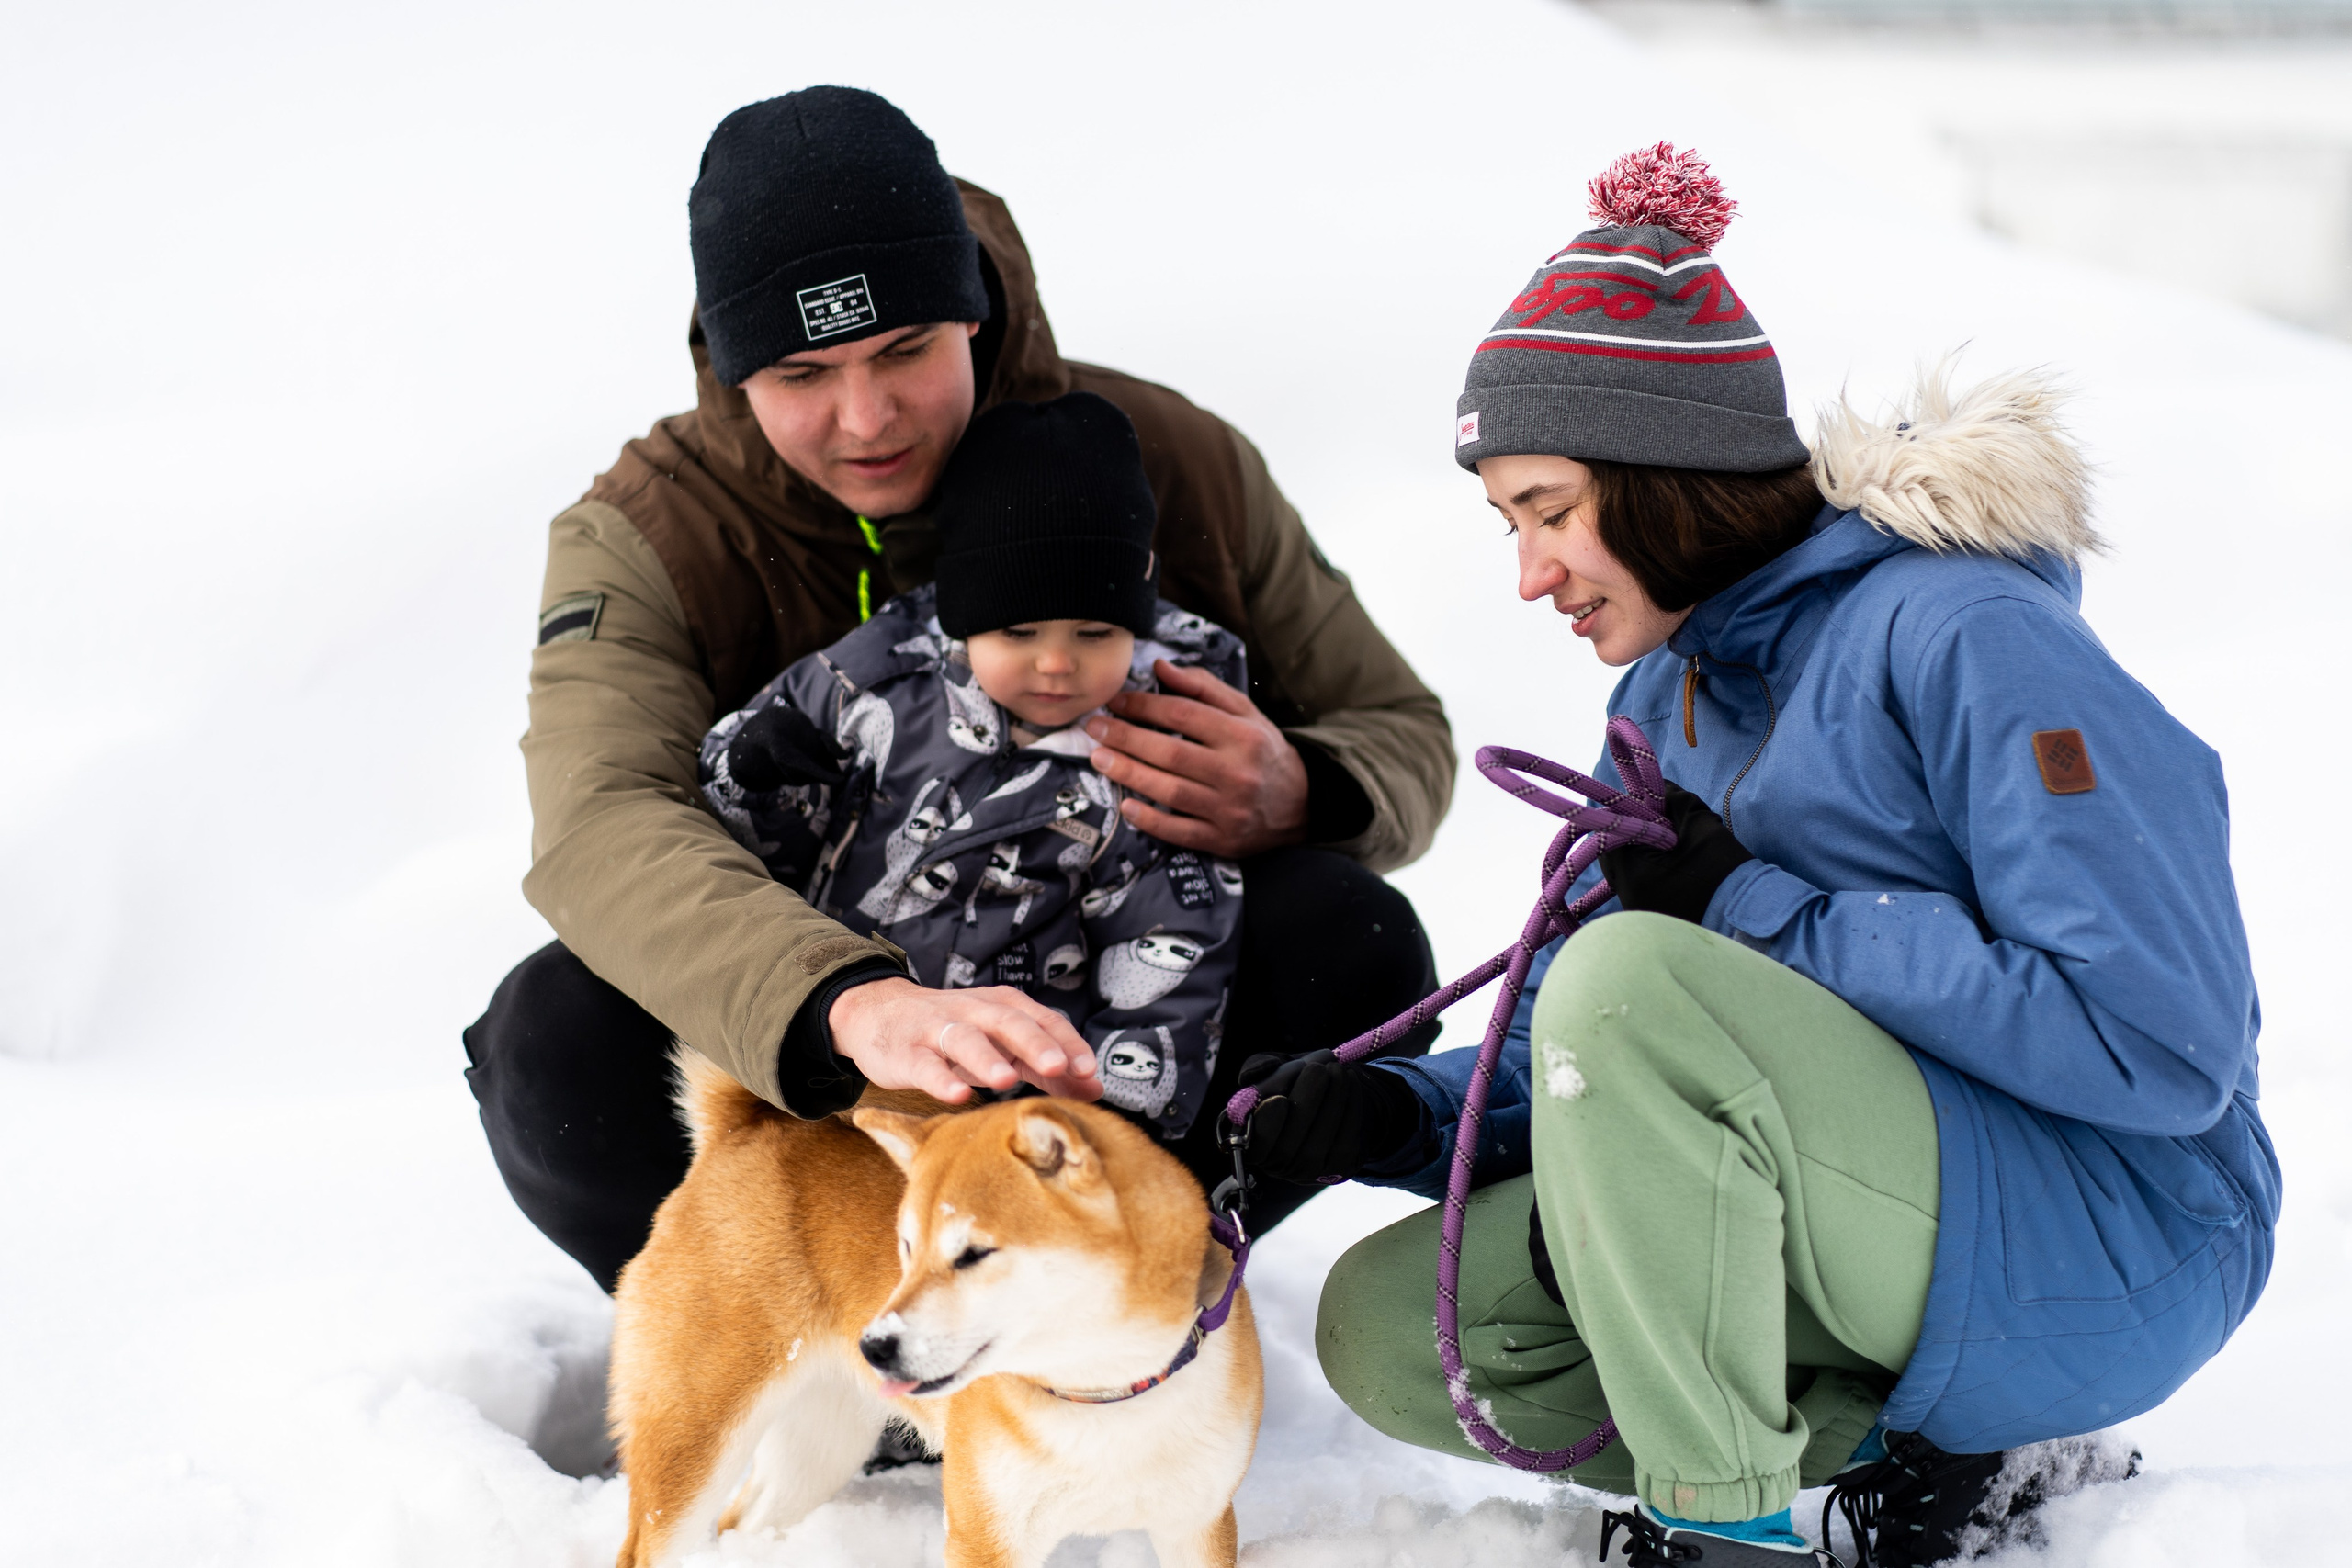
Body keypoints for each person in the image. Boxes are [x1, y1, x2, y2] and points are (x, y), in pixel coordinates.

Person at [1238, 145, 2276, 1568]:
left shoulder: (1969, 636)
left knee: (1636, 978)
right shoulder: (1655, 709)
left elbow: (2166, 1043)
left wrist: (1753, 912)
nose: (1529, 574)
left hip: (2123, 1225)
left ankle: (1720, 1525)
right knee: (1409, 1328)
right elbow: (1590, 1074)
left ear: (1670, 474)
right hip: (1879, 1235)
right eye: (1507, 525)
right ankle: (1950, 1441)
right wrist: (1397, 1118)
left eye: (1549, 509)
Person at [463, 86, 1453, 1293]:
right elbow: (600, 821)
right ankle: (791, 1341)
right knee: (551, 1036)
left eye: (905, 351)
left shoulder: (1169, 458)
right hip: (812, 1063)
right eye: (801, 373)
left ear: (972, 318)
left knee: (1353, 938)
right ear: (731, 367)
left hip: (1110, 1009)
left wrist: (1304, 784)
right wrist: (845, 999)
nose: (865, 417)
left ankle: (1120, 1303)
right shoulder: (650, 532)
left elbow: (1400, 730)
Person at [700, 392, 1250, 1145]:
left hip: (1000, 1102)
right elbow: (737, 852)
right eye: (1019, 630)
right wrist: (754, 777)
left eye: (1096, 630)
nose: (1057, 661)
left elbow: (1171, 940)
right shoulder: (868, 688)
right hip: (827, 1056)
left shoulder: (1158, 749)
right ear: (962, 609)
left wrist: (1117, 1132)